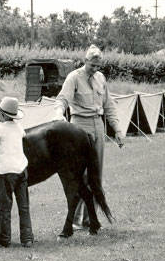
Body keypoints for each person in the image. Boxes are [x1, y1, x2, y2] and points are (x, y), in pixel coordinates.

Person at [53, 44, 123, 230]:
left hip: (98, 125)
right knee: (80, 175)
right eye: (92, 65)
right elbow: (62, 99)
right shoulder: (73, 77)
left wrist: (117, 129)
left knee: (95, 175)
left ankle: (88, 218)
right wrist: (59, 115)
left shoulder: (101, 78)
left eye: (98, 66)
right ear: (85, 61)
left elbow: (109, 106)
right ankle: (75, 219)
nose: (95, 69)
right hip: (79, 125)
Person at [0, 96, 34, 248]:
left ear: (3, 115)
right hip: (22, 169)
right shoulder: (18, 127)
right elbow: (23, 135)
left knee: (4, 208)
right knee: (23, 206)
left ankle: (4, 240)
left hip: (6, 172)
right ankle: (27, 239)